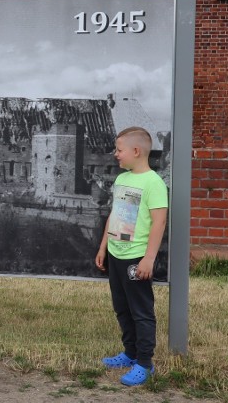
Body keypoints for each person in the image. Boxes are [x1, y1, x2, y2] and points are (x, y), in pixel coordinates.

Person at [95, 127, 168, 386]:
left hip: (136, 258)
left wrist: (149, 258)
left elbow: (159, 224)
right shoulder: (121, 180)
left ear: (136, 151)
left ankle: (145, 364)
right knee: (122, 307)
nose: (116, 154)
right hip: (116, 255)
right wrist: (104, 246)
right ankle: (130, 353)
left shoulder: (153, 183)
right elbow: (115, 215)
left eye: (119, 149)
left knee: (141, 311)